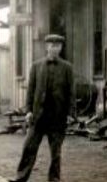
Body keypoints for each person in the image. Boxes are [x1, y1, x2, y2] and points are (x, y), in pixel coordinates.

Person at [10, 34, 75, 182]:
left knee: (56, 153)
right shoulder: (36, 66)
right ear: (47, 47)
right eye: (52, 45)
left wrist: (71, 113)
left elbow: (71, 92)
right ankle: (20, 178)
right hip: (39, 116)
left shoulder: (67, 68)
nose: (54, 48)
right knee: (29, 148)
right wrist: (29, 111)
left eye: (58, 46)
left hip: (57, 117)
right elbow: (31, 91)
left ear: (61, 48)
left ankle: (54, 179)